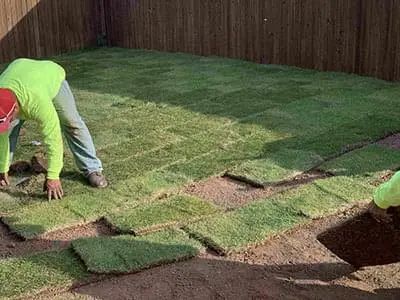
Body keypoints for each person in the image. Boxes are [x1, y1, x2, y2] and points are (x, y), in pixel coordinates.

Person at [0, 58, 107, 200]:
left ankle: (92, 168)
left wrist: (53, 176)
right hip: (19, 70)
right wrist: (2, 167)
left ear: (15, 109)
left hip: (50, 75)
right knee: (9, 131)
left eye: (10, 118)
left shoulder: (37, 102)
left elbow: (53, 137)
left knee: (71, 122)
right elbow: (1, 136)